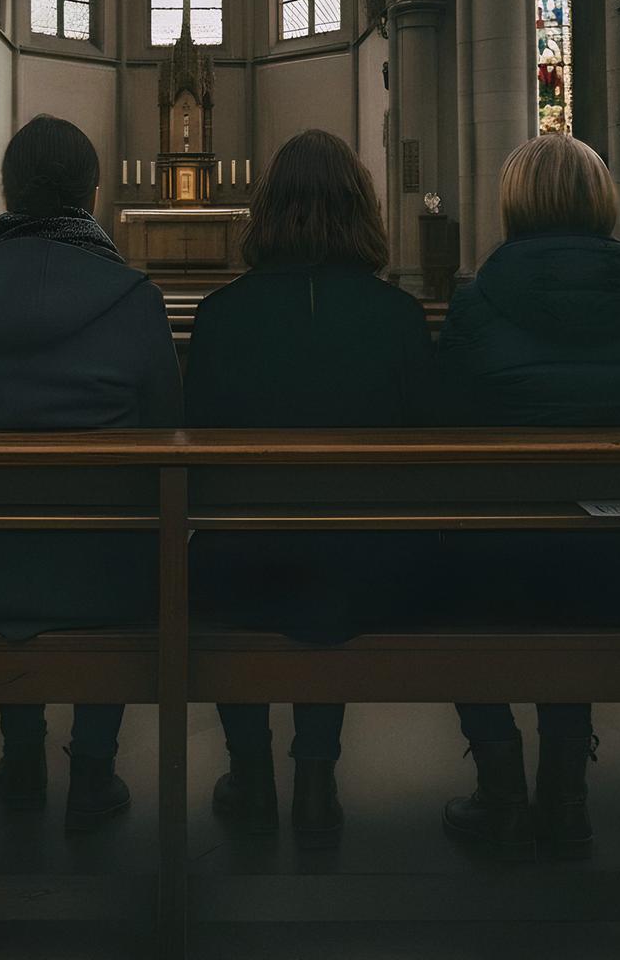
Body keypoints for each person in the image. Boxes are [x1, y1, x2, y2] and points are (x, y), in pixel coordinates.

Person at [0, 114, 182, 832]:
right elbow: (165, 428)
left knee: (1, 522)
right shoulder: (132, 296)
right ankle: (92, 765)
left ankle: (22, 754)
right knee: (120, 530)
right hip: (107, 574)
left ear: (8, 192)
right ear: (92, 194)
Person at [435, 133, 620, 860]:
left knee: (443, 573)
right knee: (581, 547)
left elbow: (442, 424)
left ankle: (502, 784)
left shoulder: (478, 305)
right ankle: (566, 794)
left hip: (496, 571)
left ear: (514, 205)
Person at [186, 129, 436, 849]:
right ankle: (317, 780)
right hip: (379, 572)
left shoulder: (220, 317)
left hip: (243, 572)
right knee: (335, 555)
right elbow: (430, 447)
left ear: (266, 209)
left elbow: (196, 456)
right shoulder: (398, 318)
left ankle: (251, 772)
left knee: (242, 550)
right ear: (362, 207)